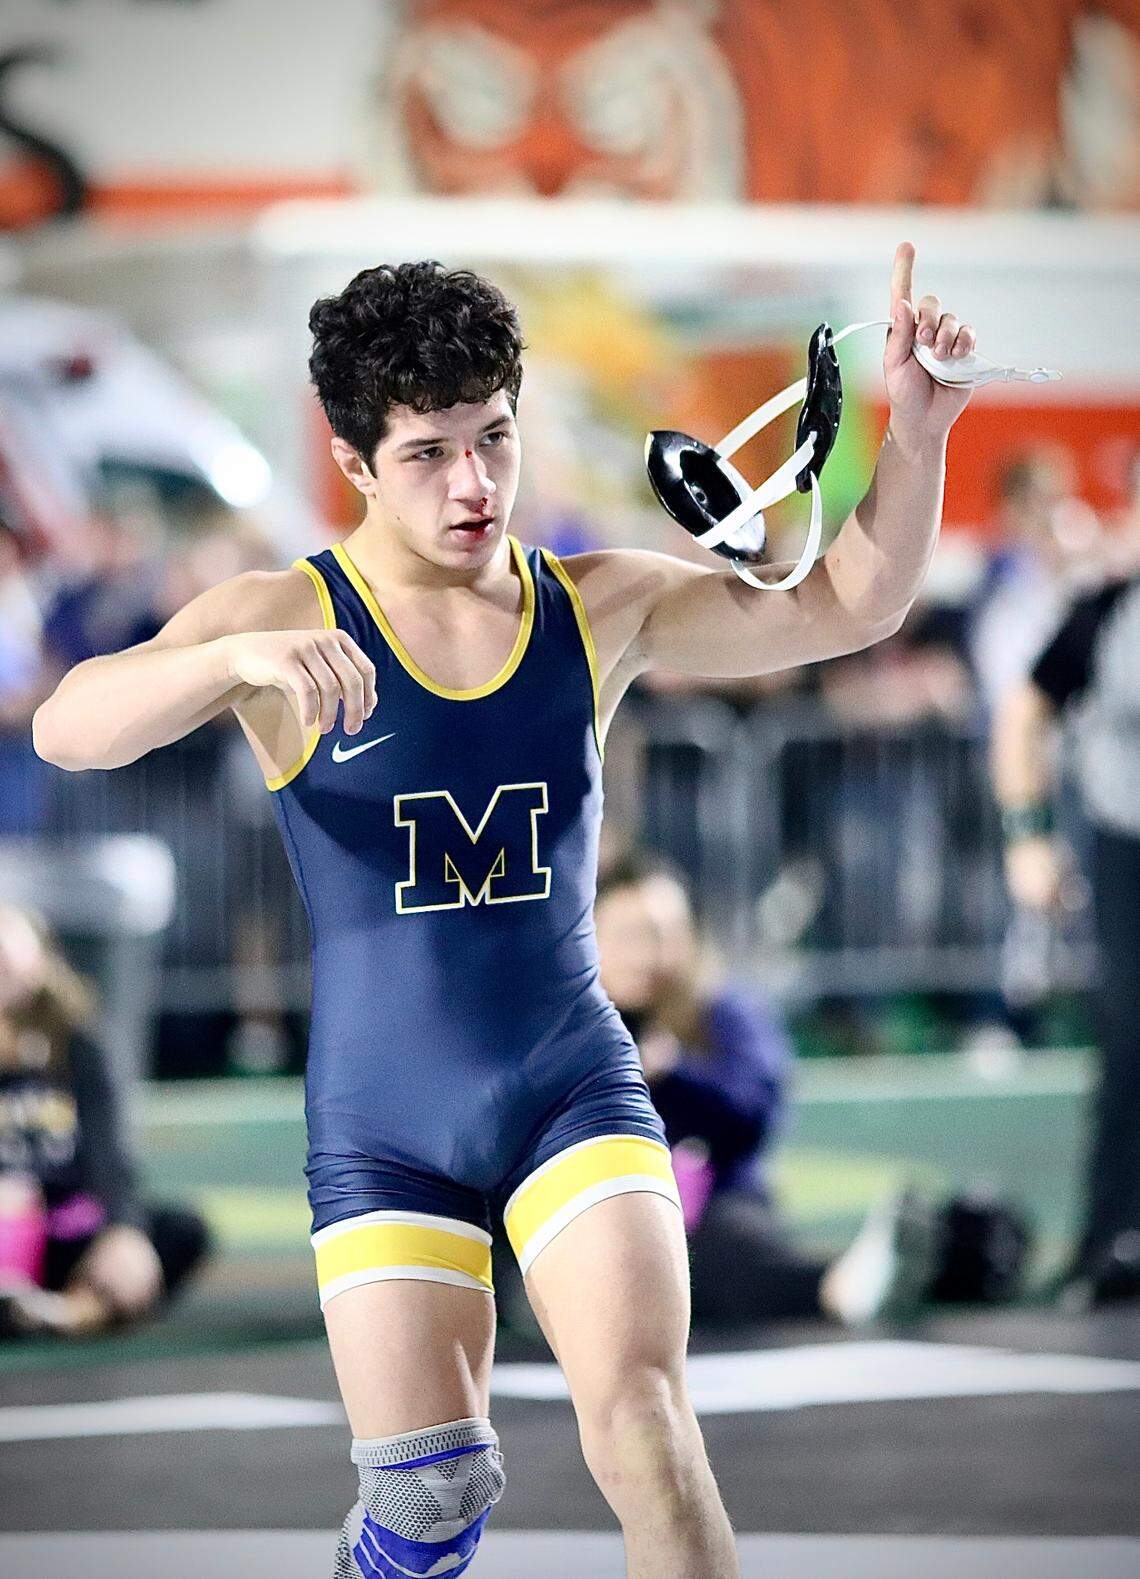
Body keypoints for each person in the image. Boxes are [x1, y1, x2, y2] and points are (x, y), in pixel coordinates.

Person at [33, 246, 975, 1578]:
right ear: (355, 463)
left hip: (568, 1079)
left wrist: (916, 427)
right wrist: (230, 656)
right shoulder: (282, 615)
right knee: (428, 1497)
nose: (475, 484)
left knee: (648, 1425)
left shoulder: (593, 605)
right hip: (383, 1118)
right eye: (427, 452)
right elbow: (73, 729)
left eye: (496, 437)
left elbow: (845, 602)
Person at [590, 849, 938, 1328]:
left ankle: (845, 1284)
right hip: (603, 1214)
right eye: (630, 935)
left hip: (717, 1208)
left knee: (724, 1245)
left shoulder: (721, 1010)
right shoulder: (575, 1030)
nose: (649, 954)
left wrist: (676, 1075)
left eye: (664, 933)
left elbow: (756, 1110)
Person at [992, 570, 1140, 1309]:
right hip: (1128, 844)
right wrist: (1028, 837)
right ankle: (1108, 1239)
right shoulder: (1108, 608)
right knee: (1130, 1034)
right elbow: (1025, 712)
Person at [0, 901, 212, 1338]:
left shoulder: (79, 1049)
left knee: (178, 1229)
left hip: (66, 1233)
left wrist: (124, 1229)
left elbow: (110, 1156)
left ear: (41, 958)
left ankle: (68, 1314)